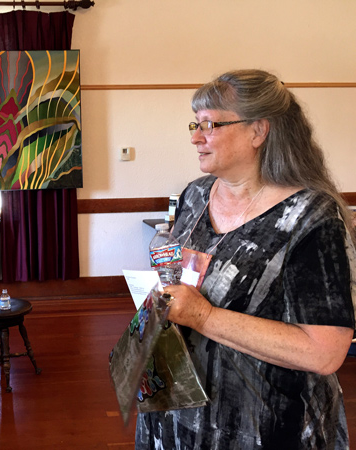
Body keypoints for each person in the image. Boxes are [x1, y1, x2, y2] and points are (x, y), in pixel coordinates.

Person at [135, 70, 356, 449]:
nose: (195, 137)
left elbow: (324, 352)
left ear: (258, 131)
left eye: (210, 124)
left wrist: (204, 316)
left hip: (264, 426)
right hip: (176, 411)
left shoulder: (311, 218)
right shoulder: (195, 195)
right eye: (195, 124)